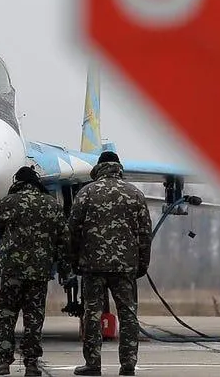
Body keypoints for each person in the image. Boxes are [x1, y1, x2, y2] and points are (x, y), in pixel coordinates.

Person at [70, 151, 152, 376]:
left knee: (92, 314)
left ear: (99, 168)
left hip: (92, 267)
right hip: (125, 267)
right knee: (128, 315)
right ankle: (128, 365)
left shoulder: (86, 193)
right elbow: (145, 234)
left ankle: (93, 364)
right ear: (118, 167)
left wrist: (75, 262)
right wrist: (142, 265)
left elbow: (73, 231)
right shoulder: (134, 194)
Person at [0, 165, 74, 376]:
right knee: (34, 317)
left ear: (17, 182)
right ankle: (32, 363)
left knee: (6, 314)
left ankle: (3, 362)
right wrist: (66, 271)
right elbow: (64, 241)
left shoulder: (11, 202)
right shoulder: (52, 205)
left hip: (12, 272)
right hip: (39, 272)